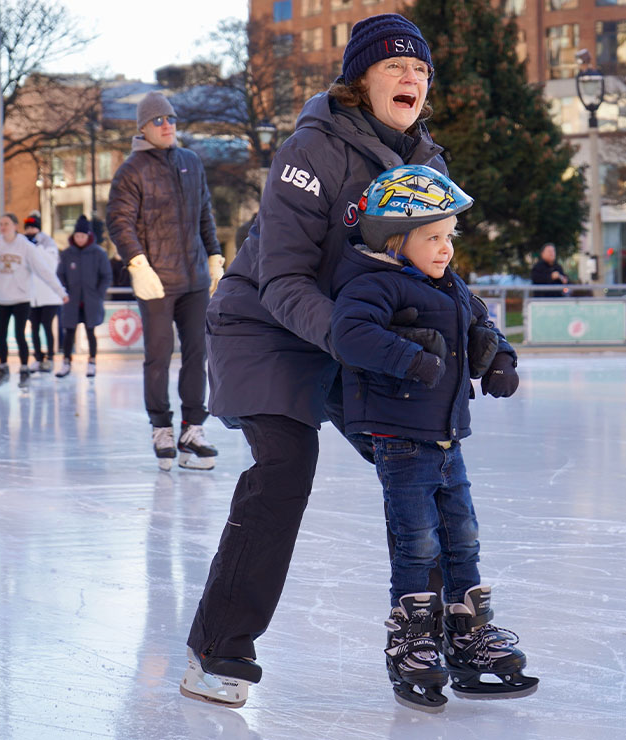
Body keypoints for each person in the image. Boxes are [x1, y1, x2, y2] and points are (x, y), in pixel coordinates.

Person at [180, 13, 451, 709]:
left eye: (420, 69)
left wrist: (475, 330)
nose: (411, 79)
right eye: (395, 67)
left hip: (354, 329)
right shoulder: (313, 149)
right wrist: (361, 341)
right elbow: (284, 277)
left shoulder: (430, 166)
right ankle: (218, 650)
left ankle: (447, 629)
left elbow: (433, 269)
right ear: (361, 79)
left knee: (429, 458)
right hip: (265, 325)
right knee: (285, 466)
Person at [330, 165, 532, 712]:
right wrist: (410, 359)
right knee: (416, 541)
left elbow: (482, 328)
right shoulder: (373, 283)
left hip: (448, 440)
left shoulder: (450, 286)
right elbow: (348, 335)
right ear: (396, 240)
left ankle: (469, 638)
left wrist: (500, 363)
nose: (445, 249)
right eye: (433, 238)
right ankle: (412, 641)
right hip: (400, 439)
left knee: (463, 538)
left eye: (449, 238)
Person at [106, 91, 224, 471]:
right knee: (157, 357)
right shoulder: (132, 170)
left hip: (194, 278)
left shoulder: (190, 161)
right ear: (143, 127)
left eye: (171, 118)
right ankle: (161, 427)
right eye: (159, 120)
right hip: (157, 280)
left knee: (197, 355)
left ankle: (192, 430)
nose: (167, 125)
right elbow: (119, 221)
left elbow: (205, 212)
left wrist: (215, 256)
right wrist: (138, 265)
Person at [0, 214, 68, 390]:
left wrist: (60, 291)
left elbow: (44, 270)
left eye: (7, 224)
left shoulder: (25, 247)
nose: (3, 227)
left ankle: (24, 369)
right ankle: (3, 369)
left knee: (19, 335)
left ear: (15, 226)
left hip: (21, 298)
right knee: (1, 336)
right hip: (2, 298)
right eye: (1, 224)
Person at [55, 215, 111, 378]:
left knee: (90, 331)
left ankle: (92, 361)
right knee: (69, 332)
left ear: (88, 236)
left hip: (91, 301)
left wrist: (99, 294)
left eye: (83, 236)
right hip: (72, 301)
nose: (80, 239)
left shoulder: (98, 254)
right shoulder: (66, 254)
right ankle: (66, 361)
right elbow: (60, 275)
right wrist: (64, 292)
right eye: (77, 236)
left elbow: (106, 276)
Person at [22, 214, 62, 373]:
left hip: (48, 295)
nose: (30, 230)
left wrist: (36, 248)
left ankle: (50, 357)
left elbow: (51, 264)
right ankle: (38, 357)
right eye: (28, 228)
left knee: (47, 326)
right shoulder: (22, 243)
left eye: (33, 227)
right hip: (32, 296)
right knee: (34, 328)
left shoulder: (47, 242)